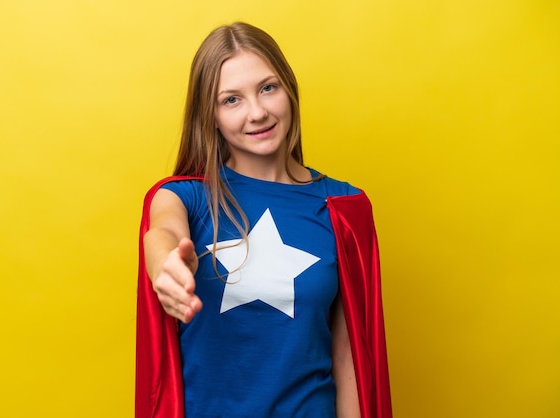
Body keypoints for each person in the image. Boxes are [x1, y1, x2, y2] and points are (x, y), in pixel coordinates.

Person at [136, 22, 392, 418]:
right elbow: (164, 231)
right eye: (231, 100)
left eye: (268, 88)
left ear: (289, 89)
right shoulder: (184, 195)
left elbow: (348, 358)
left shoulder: (345, 206)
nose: (257, 112)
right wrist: (167, 265)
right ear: (211, 116)